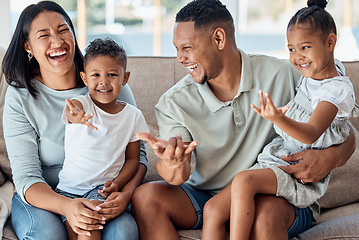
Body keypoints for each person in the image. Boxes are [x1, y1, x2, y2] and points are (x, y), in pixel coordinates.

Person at [132, 0, 356, 239]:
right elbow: (177, 176)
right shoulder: (174, 102)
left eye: (187, 47)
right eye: (177, 48)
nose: (180, 58)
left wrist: (330, 157)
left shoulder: (286, 74)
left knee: (265, 212)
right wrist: (173, 163)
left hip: (274, 195)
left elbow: (343, 128)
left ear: (219, 39)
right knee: (146, 198)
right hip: (209, 197)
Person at [203, 0, 359, 239]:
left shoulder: (335, 91)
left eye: (305, 47)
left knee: (244, 181)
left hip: (297, 172)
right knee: (212, 209)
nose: (297, 58)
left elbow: (312, 132)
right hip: (277, 156)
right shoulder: (319, 73)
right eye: (291, 49)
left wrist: (277, 118)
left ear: (330, 43)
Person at [1, 2, 147, 240]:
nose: (57, 42)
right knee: (49, 235)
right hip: (42, 196)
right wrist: (68, 207)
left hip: (98, 192)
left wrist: (127, 193)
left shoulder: (108, 83)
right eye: (44, 35)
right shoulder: (20, 96)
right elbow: (27, 176)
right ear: (28, 46)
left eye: (63, 30)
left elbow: (138, 156)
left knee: (124, 231)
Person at [56, 38, 149, 240]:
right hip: (67, 192)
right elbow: (73, 111)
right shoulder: (83, 105)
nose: (104, 81)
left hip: (101, 193)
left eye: (112, 75)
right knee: (79, 230)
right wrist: (76, 116)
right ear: (84, 78)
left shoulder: (133, 116)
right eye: (96, 75)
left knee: (91, 222)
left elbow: (134, 159)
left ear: (125, 78)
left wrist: (117, 183)